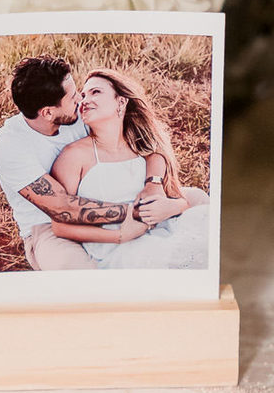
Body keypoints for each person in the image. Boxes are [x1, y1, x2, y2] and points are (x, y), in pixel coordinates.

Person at [47, 69, 210, 271]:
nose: (84, 100)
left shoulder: (141, 148)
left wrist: (174, 206)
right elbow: (60, 225)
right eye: (83, 94)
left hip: (161, 229)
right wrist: (119, 236)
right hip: (120, 249)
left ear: (121, 102)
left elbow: (165, 184)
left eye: (95, 92)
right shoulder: (73, 155)